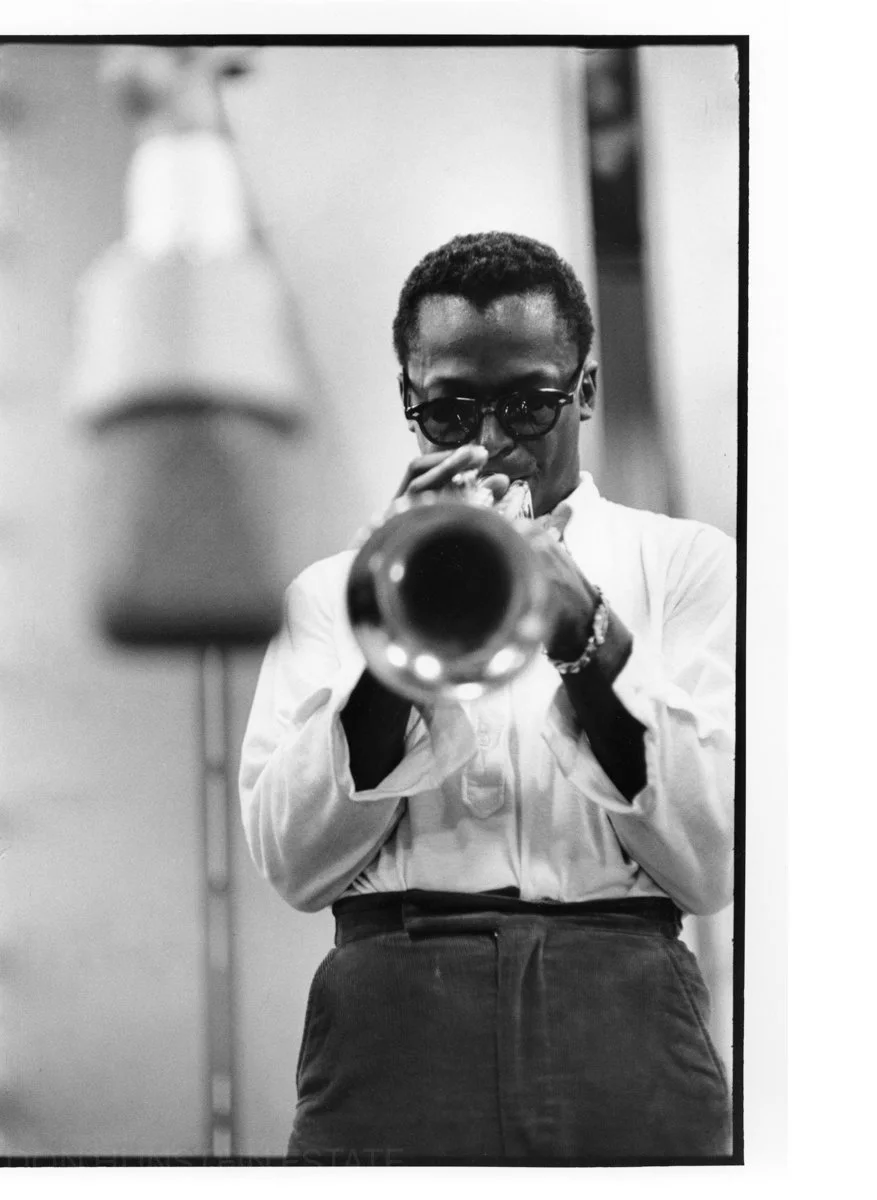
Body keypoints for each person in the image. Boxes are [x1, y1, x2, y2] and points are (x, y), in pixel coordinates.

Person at [238, 231, 735, 1162]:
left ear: (584, 389)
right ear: (408, 402)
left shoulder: (686, 564)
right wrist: (393, 635)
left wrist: (586, 639)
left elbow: (710, 867)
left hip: (622, 1004)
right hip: (392, 1010)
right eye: (450, 411)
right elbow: (294, 865)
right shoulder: (334, 592)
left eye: (530, 404)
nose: (493, 443)